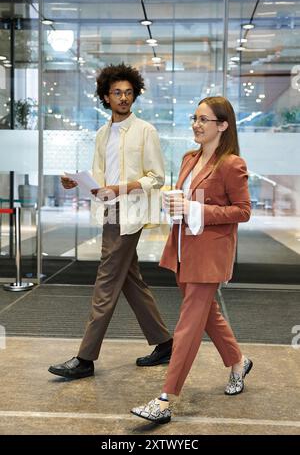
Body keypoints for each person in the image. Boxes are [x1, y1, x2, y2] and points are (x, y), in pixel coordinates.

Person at [131, 96, 252, 424]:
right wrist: (175, 203)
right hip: (184, 249)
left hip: (210, 255)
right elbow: (185, 199)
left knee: (186, 326)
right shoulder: (188, 158)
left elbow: (243, 211)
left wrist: (195, 210)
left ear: (223, 126)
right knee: (207, 315)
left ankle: (165, 398)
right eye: (194, 118)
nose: (196, 125)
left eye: (204, 120)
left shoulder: (232, 164)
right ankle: (238, 361)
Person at [48, 63, 173, 379]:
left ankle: (85, 358)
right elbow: (101, 178)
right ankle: (165, 342)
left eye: (129, 93)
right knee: (130, 280)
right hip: (110, 211)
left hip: (129, 214)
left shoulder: (145, 130)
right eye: (117, 93)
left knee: (106, 281)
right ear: (106, 96)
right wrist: (76, 182)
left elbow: (156, 177)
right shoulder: (103, 134)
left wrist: (122, 187)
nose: (124, 98)